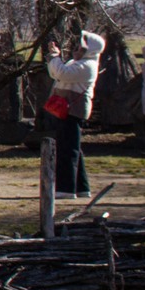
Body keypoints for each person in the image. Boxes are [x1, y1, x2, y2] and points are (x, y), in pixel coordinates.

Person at [44, 30, 105, 198]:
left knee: (68, 150)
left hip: (73, 110)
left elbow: (62, 73)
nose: (76, 50)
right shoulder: (77, 63)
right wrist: (54, 58)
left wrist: (55, 57)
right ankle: (81, 187)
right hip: (68, 109)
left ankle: (66, 188)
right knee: (72, 147)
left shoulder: (87, 66)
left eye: (80, 48)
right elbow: (56, 72)